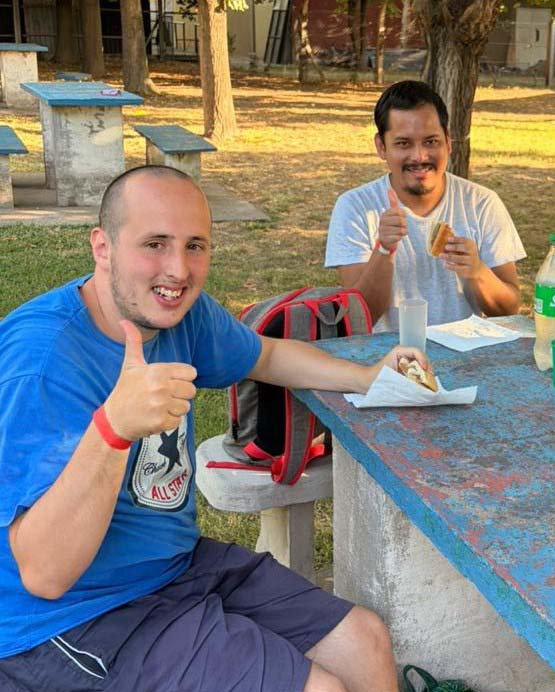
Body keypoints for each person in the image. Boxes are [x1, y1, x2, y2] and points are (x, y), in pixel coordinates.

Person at [0, 166, 428, 692]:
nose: (178, 270)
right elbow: (43, 574)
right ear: (103, 247)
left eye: (195, 246)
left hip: (174, 566)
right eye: (154, 244)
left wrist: (366, 376)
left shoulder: (181, 314)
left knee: (364, 641)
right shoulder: (42, 362)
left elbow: (265, 355)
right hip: (68, 619)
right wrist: (112, 429)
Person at [324, 80, 526, 331]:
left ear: (448, 142)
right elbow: (357, 321)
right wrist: (384, 250)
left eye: (431, 142)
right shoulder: (355, 207)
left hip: (465, 351)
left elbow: (509, 310)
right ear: (381, 147)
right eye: (403, 143)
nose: (419, 156)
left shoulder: (482, 204)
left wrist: (477, 271)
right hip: (385, 354)